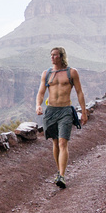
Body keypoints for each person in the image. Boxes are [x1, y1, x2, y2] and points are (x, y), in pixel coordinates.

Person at [35, 46, 88, 188]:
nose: (52, 57)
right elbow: (41, 92)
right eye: (51, 55)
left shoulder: (71, 73)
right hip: (51, 111)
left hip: (65, 110)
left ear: (61, 56)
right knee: (55, 142)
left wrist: (84, 111)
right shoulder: (47, 74)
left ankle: (62, 176)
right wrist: (38, 105)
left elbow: (79, 92)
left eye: (55, 55)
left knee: (63, 143)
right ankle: (59, 171)